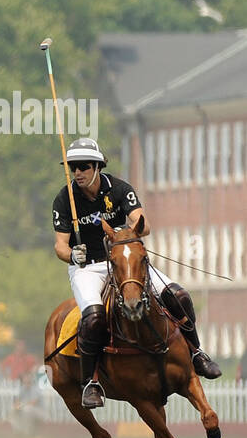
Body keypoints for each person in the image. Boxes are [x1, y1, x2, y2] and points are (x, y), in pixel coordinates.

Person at [52, 137, 220, 408]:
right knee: (93, 318)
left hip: (125, 260)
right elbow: (60, 244)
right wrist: (72, 254)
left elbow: (143, 223)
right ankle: (91, 383)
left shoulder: (119, 189)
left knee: (179, 295)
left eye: (83, 166)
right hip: (89, 267)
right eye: (73, 168)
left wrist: (127, 235)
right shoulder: (65, 198)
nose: (78, 173)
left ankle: (197, 353)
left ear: (97, 167)